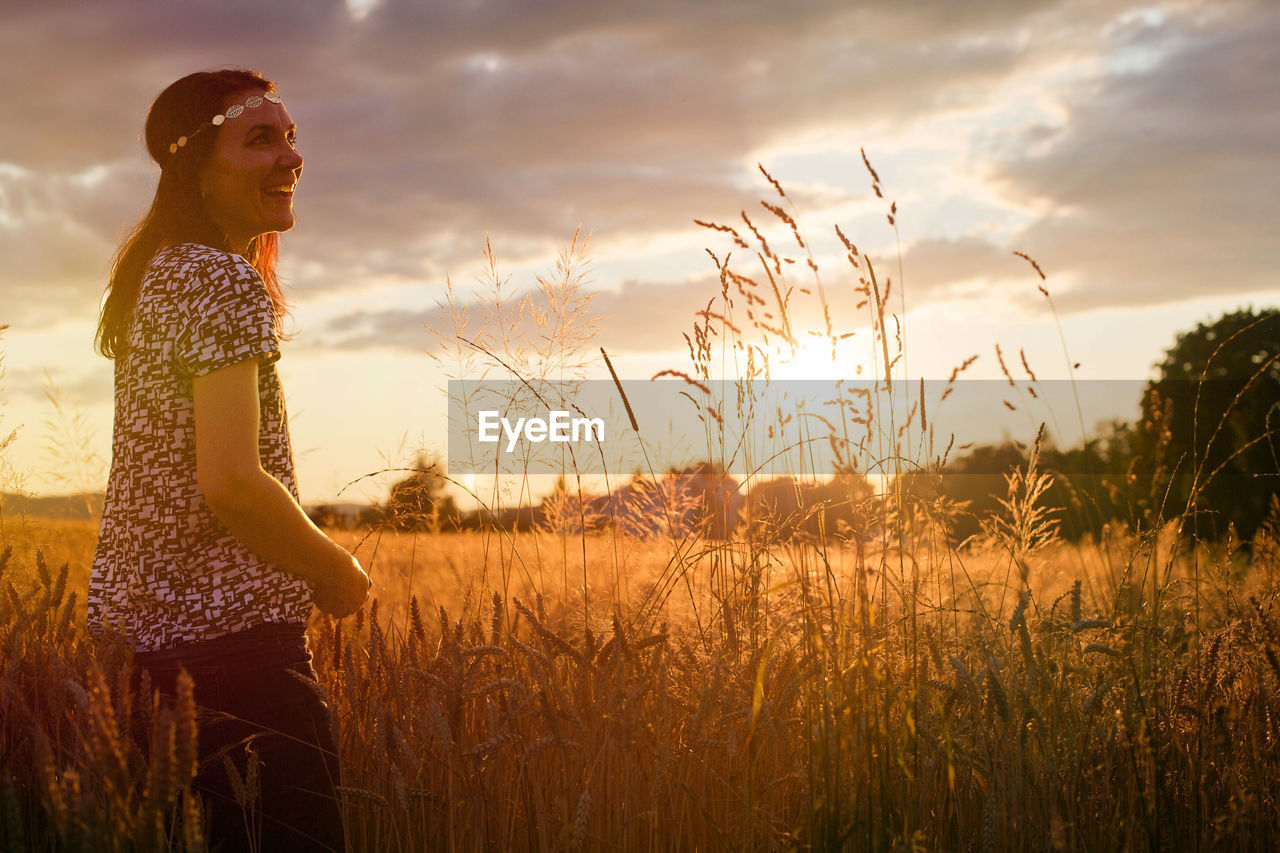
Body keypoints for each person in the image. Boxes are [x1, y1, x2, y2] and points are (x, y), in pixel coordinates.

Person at [89, 68, 370, 851]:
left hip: (143, 659)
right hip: (238, 661)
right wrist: (338, 569)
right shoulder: (218, 275)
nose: (292, 156)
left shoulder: (161, 272)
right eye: (260, 138)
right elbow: (232, 480)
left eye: (290, 136)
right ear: (195, 168)